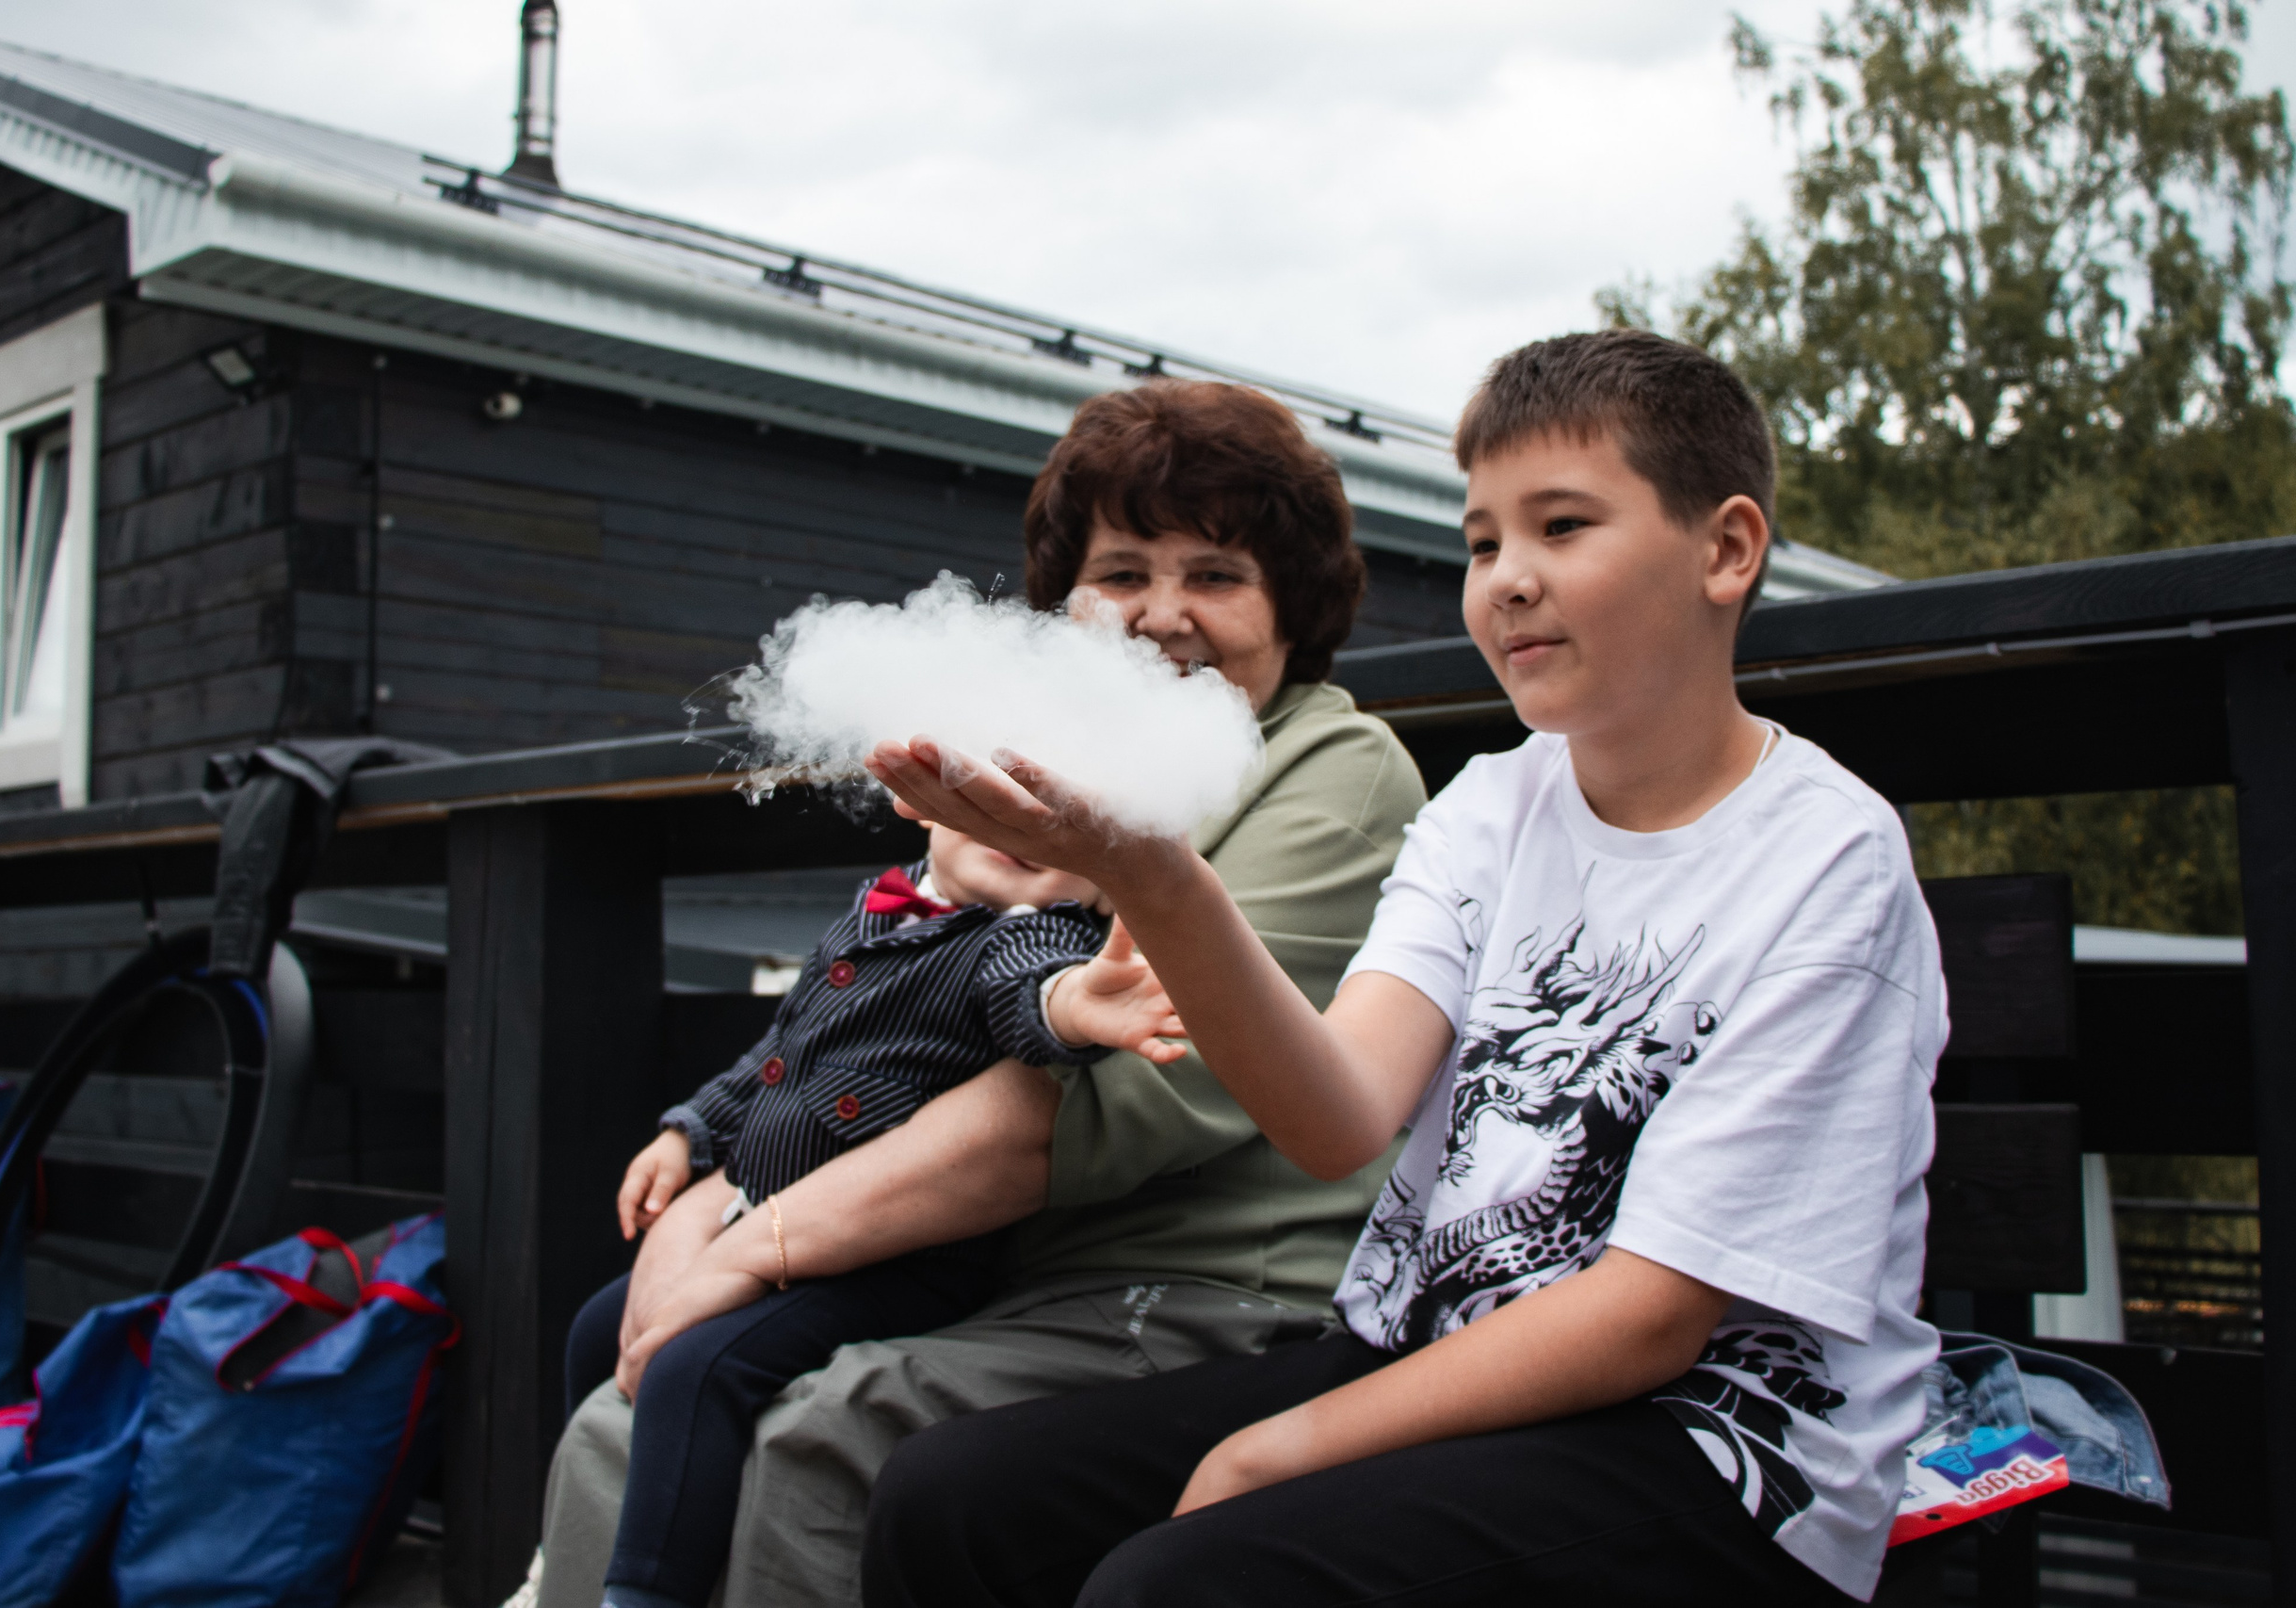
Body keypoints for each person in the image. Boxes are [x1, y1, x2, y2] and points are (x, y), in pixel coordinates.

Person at [858, 330, 1946, 1606]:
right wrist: (1154, 873)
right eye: (1484, 542)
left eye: (1561, 527)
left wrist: (1284, 1445)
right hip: (1431, 1354)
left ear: (1726, 549)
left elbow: (1652, 1314)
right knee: (953, 1500)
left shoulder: (1824, 860)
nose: (1508, 580)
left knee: (1185, 1584)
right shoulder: (1489, 808)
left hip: (1713, 1448)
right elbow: (1336, 1116)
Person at [531, 381, 1430, 1608]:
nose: (1163, 614)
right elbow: (875, 1023)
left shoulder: (1331, 766)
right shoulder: (1047, 758)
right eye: (1121, 572)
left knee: (811, 1437)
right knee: (621, 1420)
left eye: (1217, 573)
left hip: (1200, 1293)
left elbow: (1118, 1099)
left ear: (1293, 604)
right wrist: (712, 1183)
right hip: (978, 1268)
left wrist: (752, 1242)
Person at [562, 821, 1184, 1608]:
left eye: (1064, 823)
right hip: (764, 1218)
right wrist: (689, 1131)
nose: (1025, 828)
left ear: (1098, 882)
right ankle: (574, 1541)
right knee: (596, 1327)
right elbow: (778, 1052)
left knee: (700, 1366)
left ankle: (648, 1590)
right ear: (925, 806)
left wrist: (1076, 1003)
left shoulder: (1026, 934)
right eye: (996, 798)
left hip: (887, 1259)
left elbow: (1032, 990)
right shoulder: (875, 909)